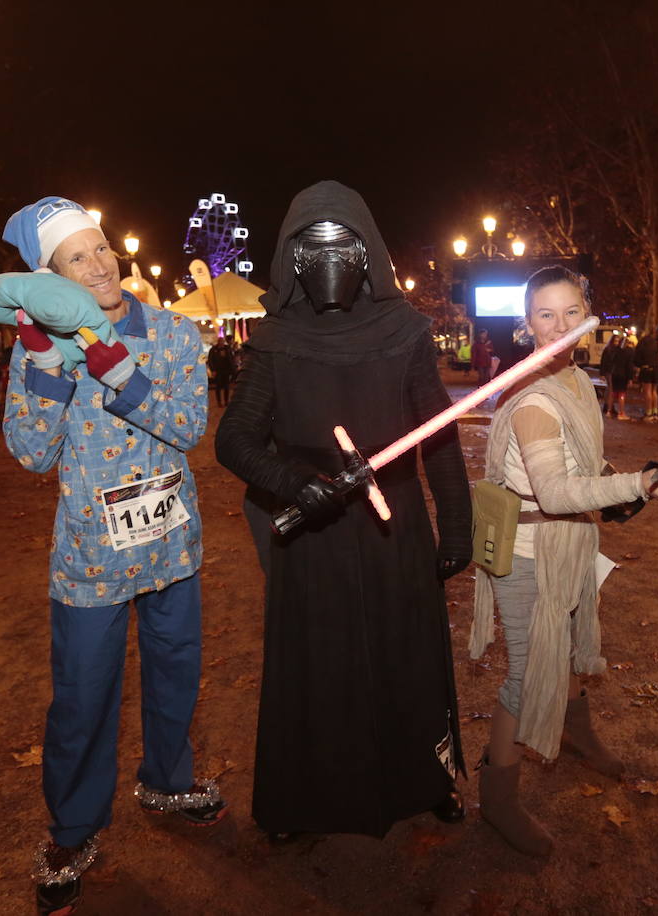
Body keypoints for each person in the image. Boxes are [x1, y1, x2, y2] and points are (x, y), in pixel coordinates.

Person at [215, 180, 472, 843]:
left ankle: (424, 781)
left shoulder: (406, 333)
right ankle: (305, 798)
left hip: (396, 530)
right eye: (312, 241)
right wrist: (293, 480)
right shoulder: (274, 341)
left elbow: (437, 434)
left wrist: (458, 524)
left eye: (344, 240)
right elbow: (234, 439)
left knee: (404, 656)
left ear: (370, 250)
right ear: (291, 256)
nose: (329, 255)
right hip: (315, 538)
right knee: (319, 666)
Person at [0, 196, 223, 916]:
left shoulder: (174, 334)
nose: (98, 265)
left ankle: (168, 779)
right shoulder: (40, 350)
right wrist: (49, 371)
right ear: (50, 276)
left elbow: (188, 426)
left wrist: (122, 376)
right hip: (91, 558)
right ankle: (72, 829)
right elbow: (31, 453)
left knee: (176, 671)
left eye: (100, 248)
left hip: (170, 543)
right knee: (84, 697)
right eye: (76, 257)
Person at [470, 265, 658, 857]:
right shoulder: (535, 398)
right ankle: (499, 800)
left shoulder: (580, 381)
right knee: (527, 675)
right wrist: (635, 485)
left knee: (567, 640)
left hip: (568, 546)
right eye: (544, 315)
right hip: (531, 552)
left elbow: (582, 471)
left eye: (569, 313)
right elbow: (556, 493)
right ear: (526, 323)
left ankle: (576, 729)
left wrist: (624, 484)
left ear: (587, 314)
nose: (558, 327)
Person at [635, 328, 658, 422]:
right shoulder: (656, 342)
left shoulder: (643, 342)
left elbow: (637, 356)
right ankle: (655, 412)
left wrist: (639, 365)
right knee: (654, 391)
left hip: (646, 368)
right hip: (656, 368)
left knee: (647, 391)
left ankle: (648, 413)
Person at [607, 333, 635, 419]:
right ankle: (621, 413)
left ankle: (609, 411)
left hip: (614, 374)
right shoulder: (628, 352)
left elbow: (611, 362)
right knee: (622, 394)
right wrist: (630, 378)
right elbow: (629, 366)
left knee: (613, 393)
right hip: (623, 375)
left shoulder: (615, 350)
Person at [206, 337, 235, 407]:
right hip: (218, 371)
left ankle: (226, 401)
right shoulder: (213, 350)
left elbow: (231, 359)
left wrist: (232, 370)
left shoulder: (227, 348)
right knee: (218, 387)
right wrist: (213, 370)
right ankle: (219, 402)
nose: (221, 343)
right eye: (220, 341)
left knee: (226, 387)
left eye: (222, 341)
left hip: (226, 371)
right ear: (218, 342)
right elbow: (210, 360)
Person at [598, 334, 621, 415]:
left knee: (610, 389)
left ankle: (608, 405)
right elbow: (603, 361)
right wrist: (602, 374)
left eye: (618, 341)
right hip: (609, 372)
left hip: (614, 372)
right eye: (615, 341)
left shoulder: (618, 349)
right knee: (610, 389)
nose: (616, 343)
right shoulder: (608, 349)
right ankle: (609, 407)